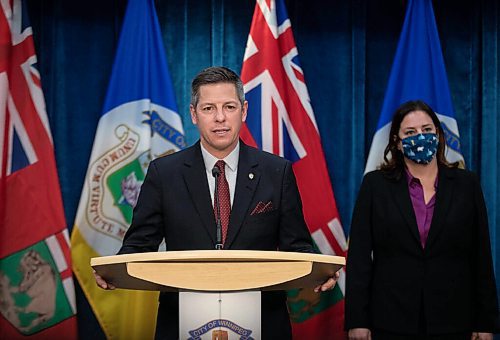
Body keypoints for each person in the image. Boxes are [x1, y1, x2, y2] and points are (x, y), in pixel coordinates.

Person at [94, 66, 338, 339]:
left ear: (244, 111)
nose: (220, 118)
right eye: (209, 108)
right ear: (194, 114)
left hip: (262, 318)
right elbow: (139, 243)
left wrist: (319, 271)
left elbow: (297, 246)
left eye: (229, 107)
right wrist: (113, 270)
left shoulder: (276, 172)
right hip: (182, 318)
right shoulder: (164, 173)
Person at [345, 100, 498, 340]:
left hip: (454, 320)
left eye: (427, 130)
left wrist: (486, 321)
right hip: (390, 319)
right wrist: (357, 320)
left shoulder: (467, 184)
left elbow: (481, 257)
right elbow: (359, 258)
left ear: (438, 133)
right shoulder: (375, 185)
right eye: (410, 132)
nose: (421, 136)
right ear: (397, 141)